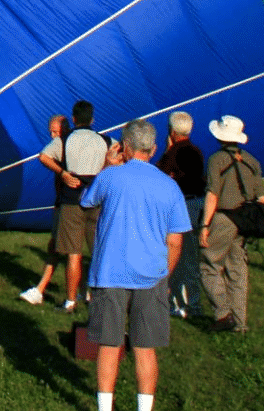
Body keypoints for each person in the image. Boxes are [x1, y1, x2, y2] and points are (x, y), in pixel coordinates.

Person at [81, 119, 189, 411]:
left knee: (109, 345)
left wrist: (106, 165)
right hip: (152, 274)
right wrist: (165, 275)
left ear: (124, 147)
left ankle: (105, 407)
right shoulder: (169, 186)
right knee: (145, 348)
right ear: (153, 149)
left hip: (110, 272)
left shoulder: (110, 177)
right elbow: (175, 242)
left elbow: (87, 202)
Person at [36, 100, 107, 312]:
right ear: (92, 119)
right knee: (99, 253)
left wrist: (63, 173)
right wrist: (105, 170)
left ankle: (70, 301)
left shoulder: (65, 140)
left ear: (74, 119)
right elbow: (119, 155)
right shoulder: (104, 140)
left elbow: (43, 156)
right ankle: (98, 298)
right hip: (97, 200)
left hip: (72, 201)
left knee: (73, 254)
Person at [198, 114, 264, 333]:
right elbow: (262, 198)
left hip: (223, 217)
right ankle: (240, 323)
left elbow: (212, 194)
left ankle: (223, 314)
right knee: (238, 271)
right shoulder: (252, 161)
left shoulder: (216, 160)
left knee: (209, 264)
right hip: (244, 220)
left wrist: (205, 226)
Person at [156, 111, 206, 318]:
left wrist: (167, 151)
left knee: (175, 254)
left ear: (172, 131)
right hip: (197, 204)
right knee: (191, 256)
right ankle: (193, 303)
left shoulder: (174, 152)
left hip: (181, 205)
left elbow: (160, 174)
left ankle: (175, 301)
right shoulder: (197, 151)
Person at [21, 114, 72, 305]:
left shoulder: (64, 144)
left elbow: (43, 157)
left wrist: (62, 173)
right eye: (51, 132)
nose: (52, 136)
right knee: (63, 248)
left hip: (68, 204)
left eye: (55, 132)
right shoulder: (65, 145)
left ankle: (42, 290)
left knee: (61, 248)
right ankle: (83, 292)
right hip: (64, 201)